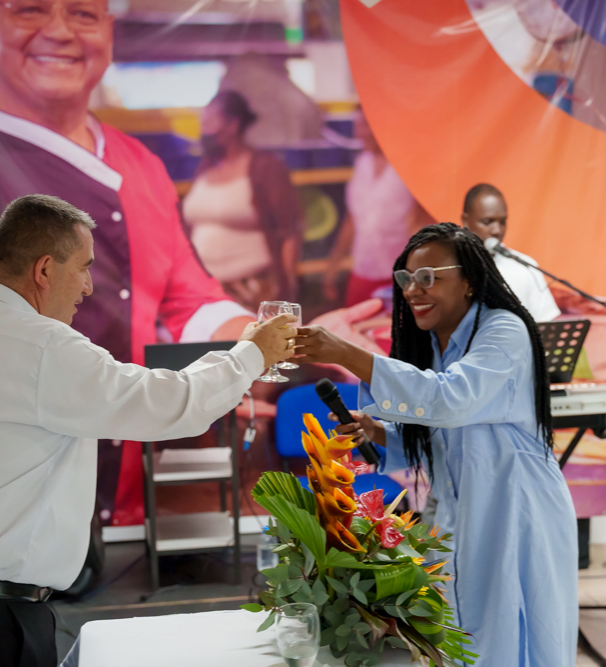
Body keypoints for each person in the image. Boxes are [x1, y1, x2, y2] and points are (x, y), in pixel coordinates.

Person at [0, 0, 253, 527]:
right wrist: (203, 386)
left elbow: (187, 300)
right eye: (30, 10)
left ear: (109, 33)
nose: (59, 31)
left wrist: (275, 339)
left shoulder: (140, 163)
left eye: (83, 14)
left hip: (128, 504)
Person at [0, 195, 296, 667]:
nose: (87, 286)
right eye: (83, 268)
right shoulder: (38, 344)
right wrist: (250, 355)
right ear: (44, 270)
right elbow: (168, 404)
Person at [297, 223, 578, 666]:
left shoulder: (503, 330)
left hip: (518, 507)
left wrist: (346, 351)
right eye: (406, 279)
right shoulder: (433, 344)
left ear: (468, 280)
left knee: (520, 629)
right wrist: (379, 432)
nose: (413, 290)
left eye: (428, 277)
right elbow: (444, 437)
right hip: (465, 510)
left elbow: (451, 401)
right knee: (470, 631)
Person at [182, 90, 303, 311]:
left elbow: (289, 231)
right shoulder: (206, 168)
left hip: (253, 289)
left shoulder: (265, 168)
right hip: (206, 289)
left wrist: (286, 290)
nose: (203, 131)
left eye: (209, 123)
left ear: (232, 126)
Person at [324, 108, 432, 307]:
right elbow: (353, 218)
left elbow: (422, 224)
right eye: (357, 126)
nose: (359, 134)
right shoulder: (362, 163)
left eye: (365, 125)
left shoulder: (409, 167)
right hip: (362, 271)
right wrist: (333, 265)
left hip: (400, 274)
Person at [461, 183, 561, 322]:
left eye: (502, 222)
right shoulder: (450, 266)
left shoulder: (525, 266)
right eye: (487, 222)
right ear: (465, 220)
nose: (497, 230)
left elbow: (545, 325)